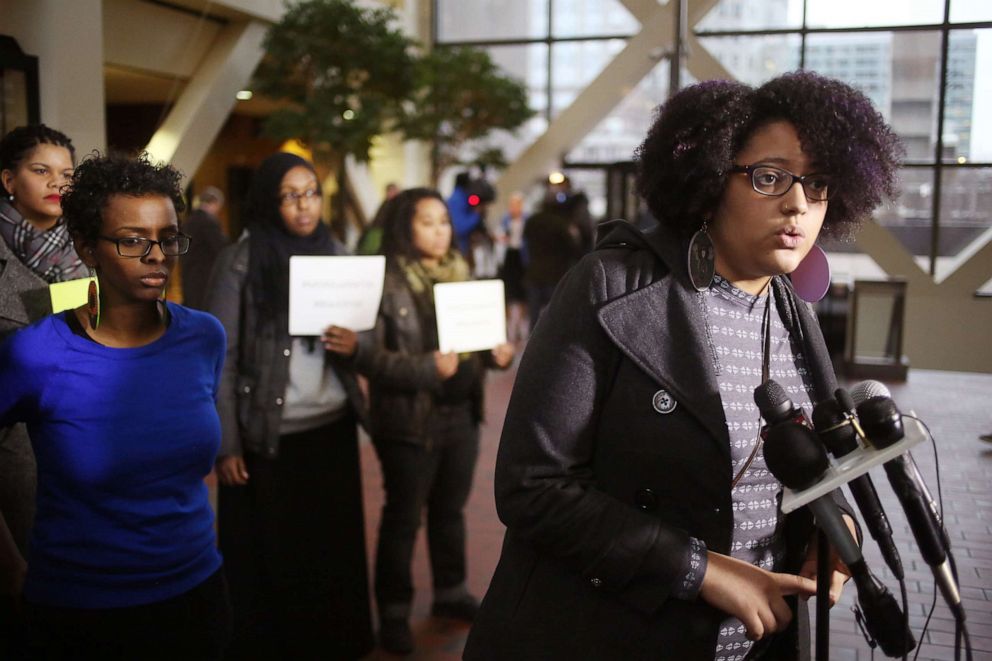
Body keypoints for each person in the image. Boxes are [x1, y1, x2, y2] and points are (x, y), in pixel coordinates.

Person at [464, 71, 903, 660]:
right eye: (769, 177)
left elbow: (810, 465)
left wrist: (833, 526)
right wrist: (701, 570)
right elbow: (533, 486)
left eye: (817, 184)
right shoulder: (608, 286)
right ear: (710, 180)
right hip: (605, 634)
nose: (798, 202)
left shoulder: (793, 310)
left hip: (747, 645)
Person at [0, 152, 231, 659]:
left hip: (197, 589)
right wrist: (10, 565)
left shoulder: (204, 337)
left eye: (168, 237)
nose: (157, 255)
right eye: (132, 240)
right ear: (87, 247)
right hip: (81, 611)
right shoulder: (36, 354)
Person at [207, 152, 374, 660]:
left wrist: (357, 345)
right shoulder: (241, 259)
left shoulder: (341, 258)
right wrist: (227, 443)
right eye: (290, 195)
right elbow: (223, 356)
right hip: (266, 433)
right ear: (269, 200)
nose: (304, 205)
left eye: (311, 193)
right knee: (268, 553)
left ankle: (332, 643)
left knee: (328, 550)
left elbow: (371, 334)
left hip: (331, 428)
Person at [348, 187, 514, 654]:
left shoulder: (463, 276)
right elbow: (365, 356)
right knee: (403, 517)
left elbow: (479, 344)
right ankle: (395, 613)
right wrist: (424, 368)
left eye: (444, 221)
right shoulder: (385, 282)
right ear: (405, 226)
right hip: (406, 419)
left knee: (450, 510)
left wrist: (497, 355)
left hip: (461, 412)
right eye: (428, 222)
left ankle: (450, 591)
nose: (440, 231)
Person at [0, 124, 80, 656]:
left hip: (83, 451)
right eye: (41, 170)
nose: (57, 183)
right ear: (8, 180)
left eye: (67, 174)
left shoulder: (87, 252)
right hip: (15, 467)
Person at [180, 185, 228, 310]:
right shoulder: (208, 223)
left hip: (189, 274)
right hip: (204, 278)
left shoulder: (189, 221)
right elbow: (222, 248)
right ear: (215, 203)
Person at [496, 191, 528, 343]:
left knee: (522, 293)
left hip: (522, 259)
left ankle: (522, 327)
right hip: (509, 257)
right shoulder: (505, 220)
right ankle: (510, 330)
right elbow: (500, 237)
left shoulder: (527, 220)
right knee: (508, 293)